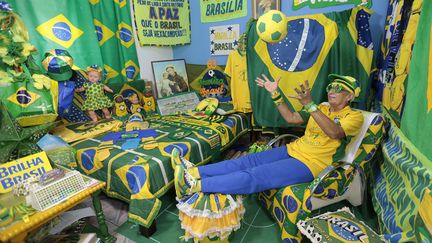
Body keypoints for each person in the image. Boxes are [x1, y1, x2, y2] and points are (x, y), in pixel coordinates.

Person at [173, 74, 364, 198]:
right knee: (247, 161)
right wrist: (275, 94)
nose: (332, 90)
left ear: (349, 96)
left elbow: (334, 132)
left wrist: (310, 104)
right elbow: (291, 117)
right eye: (331, 86)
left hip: (313, 163)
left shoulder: (355, 117)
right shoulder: (321, 108)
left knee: (256, 175)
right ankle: (193, 173)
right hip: (293, 149)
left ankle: (193, 186)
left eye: (340, 88)